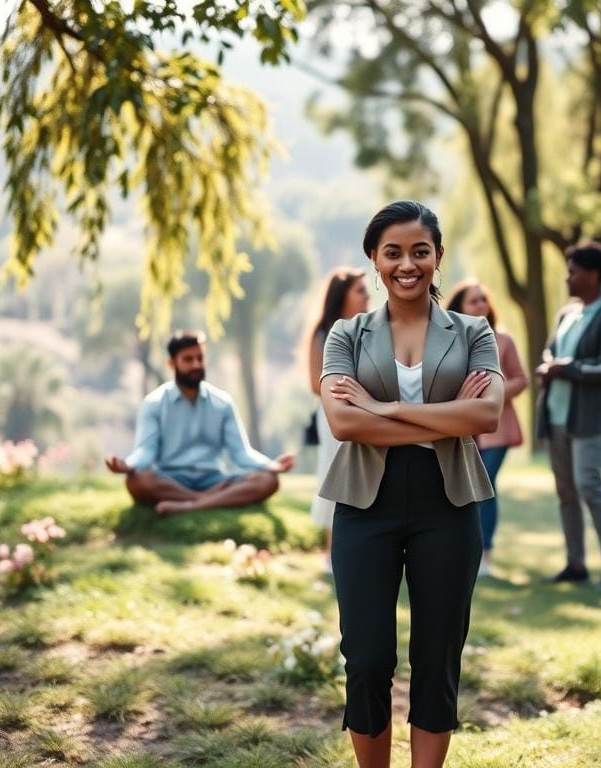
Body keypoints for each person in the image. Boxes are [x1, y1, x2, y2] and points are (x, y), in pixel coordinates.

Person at [319, 200, 504, 768]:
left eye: (419, 252)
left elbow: (488, 415)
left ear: (438, 256)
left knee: (438, 657)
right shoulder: (345, 335)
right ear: (374, 259)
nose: (407, 264)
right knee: (368, 658)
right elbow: (344, 422)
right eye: (393, 252)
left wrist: (386, 406)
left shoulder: (474, 331)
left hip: (446, 503)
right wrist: (442, 414)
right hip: (363, 504)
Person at [104, 331, 295, 515]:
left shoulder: (223, 402)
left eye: (200, 358)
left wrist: (271, 465)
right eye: (188, 359)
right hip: (171, 480)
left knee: (268, 480)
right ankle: (209, 501)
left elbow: (240, 453)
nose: (196, 364)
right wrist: (126, 465)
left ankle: (191, 505)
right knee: (137, 480)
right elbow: (146, 451)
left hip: (214, 480)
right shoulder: (153, 403)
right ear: (172, 363)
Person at [535, 242, 601, 593]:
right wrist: (550, 364)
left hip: (592, 419)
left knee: (589, 486)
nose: (567, 277)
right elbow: (550, 350)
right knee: (566, 492)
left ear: (592, 275)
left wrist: (566, 368)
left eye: (572, 271)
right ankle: (575, 563)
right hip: (558, 417)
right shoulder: (566, 314)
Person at [445, 280, 528, 577]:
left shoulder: (503, 340)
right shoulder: (447, 341)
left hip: (497, 429)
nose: (481, 305)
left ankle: (486, 555)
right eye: (474, 301)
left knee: (486, 488)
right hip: (461, 429)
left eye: (484, 299)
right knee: (462, 491)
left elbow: (521, 379)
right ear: (460, 308)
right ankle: (459, 551)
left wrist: (493, 393)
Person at [303, 267, 370, 571]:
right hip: (334, 415)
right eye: (360, 290)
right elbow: (316, 382)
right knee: (334, 474)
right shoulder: (323, 332)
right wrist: (352, 388)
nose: (367, 295)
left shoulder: (370, 330)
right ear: (342, 296)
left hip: (367, 413)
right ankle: (330, 551)